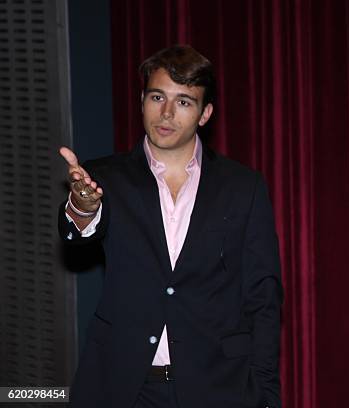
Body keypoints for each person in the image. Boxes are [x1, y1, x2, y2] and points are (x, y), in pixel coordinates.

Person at [58, 45, 283, 408]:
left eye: (183, 102)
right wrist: (83, 207)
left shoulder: (243, 186)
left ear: (205, 113)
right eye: (157, 97)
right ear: (142, 100)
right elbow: (79, 231)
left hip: (218, 387)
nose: (166, 113)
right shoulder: (106, 178)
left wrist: (267, 394)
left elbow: (263, 296)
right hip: (126, 386)